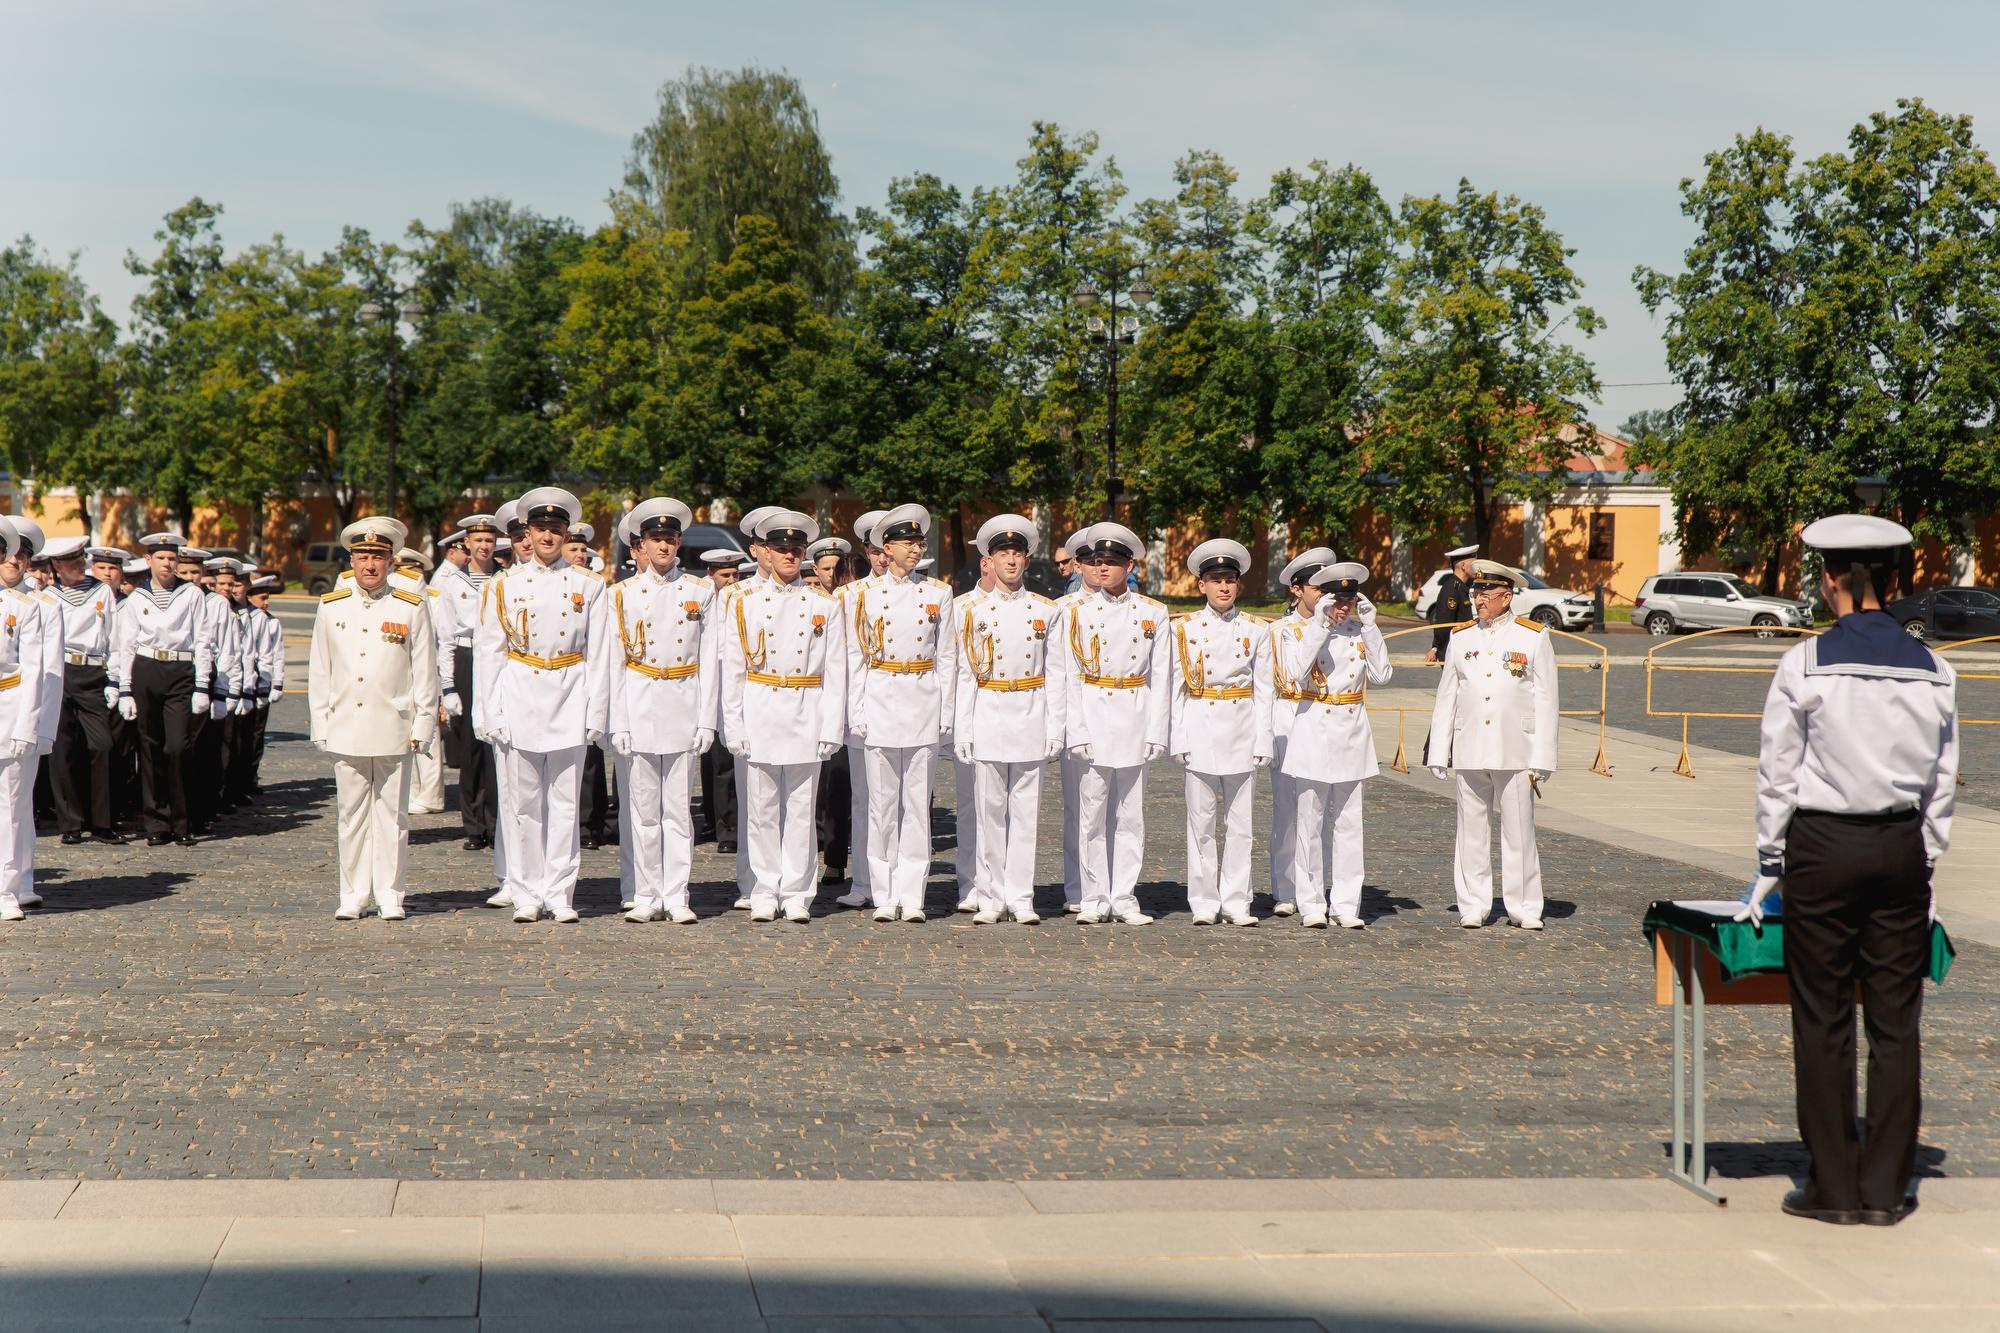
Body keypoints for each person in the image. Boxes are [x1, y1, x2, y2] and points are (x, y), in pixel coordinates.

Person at [1740, 515, 1957, 1228]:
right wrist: (1923, 853)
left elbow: (1779, 769)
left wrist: (1770, 858)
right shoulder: (1936, 668)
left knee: (1824, 1014)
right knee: (1896, 1021)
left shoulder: (1805, 662)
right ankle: (1888, 1186)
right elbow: (1943, 781)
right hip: (1899, 846)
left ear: (1831, 577)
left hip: (1825, 845)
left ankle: (1832, 1182)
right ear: (1889, 582)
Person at [473, 488, 608, 924]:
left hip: (570, 689)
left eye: (556, 530)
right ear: (527, 534)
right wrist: (486, 711)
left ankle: (561, 892)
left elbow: (601, 654)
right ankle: (527, 891)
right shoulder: (504, 584)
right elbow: (489, 651)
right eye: (541, 529)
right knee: (524, 803)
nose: (548, 537)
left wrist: (597, 711)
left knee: (566, 803)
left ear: (566, 534)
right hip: (521, 692)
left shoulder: (589, 584)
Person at [719, 508, 847, 922]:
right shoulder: (743, 602)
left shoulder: (824, 605)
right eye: (781, 548)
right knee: (761, 810)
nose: (789, 555)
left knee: (800, 810)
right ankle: (763, 888)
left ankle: (796, 892)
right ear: (765, 554)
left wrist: (832, 725)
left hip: (805, 709)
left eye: (796, 548)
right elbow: (733, 669)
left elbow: (835, 672)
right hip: (761, 708)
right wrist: (733, 723)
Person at [308, 518, 439, 921]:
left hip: (393, 726)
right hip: (347, 724)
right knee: (350, 816)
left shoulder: (410, 606)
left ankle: (390, 892)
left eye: (378, 558)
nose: (370, 565)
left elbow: (425, 671)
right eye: (363, 557)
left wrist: (423, 725)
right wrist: (321, 725)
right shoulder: (332, 607)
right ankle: (353, 893)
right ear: (351, 559)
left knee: (392, 818)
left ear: (391, 562)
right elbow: (320, 671)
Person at [1425, 559, 1557, 929]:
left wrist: (1543, 755)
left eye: (1485, 594)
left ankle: (1524, 906)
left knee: (1519, 830)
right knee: (1471, 829)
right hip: (1470, 746)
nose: (1478, 600)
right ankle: (1473, 903)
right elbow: (1447, 696)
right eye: (1475, 592)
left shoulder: (1532, 636)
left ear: (1506, 595)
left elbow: (1546, 700)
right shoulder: (1461, 636)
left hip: (1515, 747)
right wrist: (1440, 749)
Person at [1050, 522, 1169, 925]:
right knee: (1091, 813)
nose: (1103, 569)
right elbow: (1067, 676)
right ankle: (1094, 895)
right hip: (1093, 710)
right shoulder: (1074, 612)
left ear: (1129, 566)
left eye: (1112, 563)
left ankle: (1124, 896)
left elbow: (1163, 677)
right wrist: (1074, 729)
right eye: (1098, 562)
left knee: (1130, 815)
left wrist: (1158, 730)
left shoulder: (1153, 612)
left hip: (1135, 710)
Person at [604, 498, 715, 924]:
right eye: (656, 539)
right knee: (644, 812)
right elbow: (613, 664)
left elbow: (711, 662)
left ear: (679, 542)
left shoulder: (699, 592)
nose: (664, 546)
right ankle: (647, 892)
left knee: (678, 811)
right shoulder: (621, 595)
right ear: (641, 546)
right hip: (641, 701)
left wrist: (707, 719)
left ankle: (677, 893)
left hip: (683, 701)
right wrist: (619, 721)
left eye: (670, 539)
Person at [846, 504, 957, 923]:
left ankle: (912, 894)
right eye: (908, 542)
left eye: (919, 542)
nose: (916, 548)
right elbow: (854, 657)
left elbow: (946, 657)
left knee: (916, 806)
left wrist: (946, 711)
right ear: (885, 548)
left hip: (922, 701)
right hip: (880, 699)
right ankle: (883, 891)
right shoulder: (859, 596)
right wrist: (855, 710)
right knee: (881, 806)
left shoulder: (937, 593)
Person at [953, 516, 1061, 925]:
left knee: (1025, 814)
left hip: (1030, 711)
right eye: (1003, 554)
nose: (1011, 561)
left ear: (1027, 560)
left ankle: (1021, 896)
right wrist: (962, 728)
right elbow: (965, 674)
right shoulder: (972, 611)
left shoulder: (1045, 611)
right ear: (989, 560)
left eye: (1017, 554)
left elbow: (1058, 674)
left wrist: (1055, 727)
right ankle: (990, 896)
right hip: (989, 711)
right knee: (988, 811)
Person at [1282, 561, 1393, 929]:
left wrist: (1372, 626)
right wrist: (1321, 624)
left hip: (1351, 728)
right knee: (1309, 822)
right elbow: (1295, 672)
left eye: (1349, 597)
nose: (1343, 606)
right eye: (1337, 598)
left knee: (1349, 823)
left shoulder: (1358, 632)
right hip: (1314, 724)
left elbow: (1382, 674)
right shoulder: (1303, 630)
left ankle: (1346, 903)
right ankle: (1311, 901)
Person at [1169, 539, 1272, 927]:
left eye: (1230, 580)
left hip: (1241, 727)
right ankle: (1203, 901)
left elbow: (1264, 689)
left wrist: (1264, 738)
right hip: (1200, 725)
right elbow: (1176, 689)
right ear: (1201, 586)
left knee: (1241, 824)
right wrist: (1177, 737)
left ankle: (1236, 900)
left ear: (1239, 585)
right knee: (1201, 823)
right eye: (1216, 580)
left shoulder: (1256, 630)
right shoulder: (1184, 630)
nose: (1224, 587)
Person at [113, 533, 216, 847]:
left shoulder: (191, 594)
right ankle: (156, 821)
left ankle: (182, 820)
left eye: (172, 558)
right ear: (148, 560)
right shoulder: (137, 598)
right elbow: (126, 645)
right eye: (161, 558)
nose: (167, 564)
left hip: (180, 671)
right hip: (147, 669)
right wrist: (125, 689)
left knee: (177, 747)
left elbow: (203, 640)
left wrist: (202, 684)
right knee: (150, 748)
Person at [1266, 548, 1334, 916]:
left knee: (1319, 808)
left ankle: (1314, 884)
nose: (1322, 593)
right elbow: (1270, 683)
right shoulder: (1278, 631)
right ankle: (1285, 887)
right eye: (1315, 586)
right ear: (1296, 590)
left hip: (1324, 717)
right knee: (1287, 808)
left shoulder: (1339, 628)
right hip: (1288, 716)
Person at [828, 509, 887, 910]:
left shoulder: (924, 594)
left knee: (899, 802)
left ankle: (893, 880)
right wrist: (846, 712)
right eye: (877, 550)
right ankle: (864, 880)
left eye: (890, 550)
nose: (884, 558)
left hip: (902, 705)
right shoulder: (847, 597)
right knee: (864, 800)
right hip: (859, 707)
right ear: (867, 550)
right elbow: (841, 660)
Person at [45, 537, 121, 845]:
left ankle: (102, 822)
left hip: (91, 671)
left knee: (101, 745)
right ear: (57, 566)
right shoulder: (47, 596)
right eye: (72, 562)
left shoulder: (101, 591)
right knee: (62, 750)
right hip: (59, 672)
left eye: (80, 560)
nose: (80, 567)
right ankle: (70, 823)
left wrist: (115, 680)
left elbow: (114, 636)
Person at [435, 513, 501, 855]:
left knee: (496, 748)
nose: (484, 546)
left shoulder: (506, 579)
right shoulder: (453, 583)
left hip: (497, 661)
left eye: (489, 540)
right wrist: (448, 686)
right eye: (478, 541)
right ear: (467, 545)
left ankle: (496, 822)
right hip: (466, 658)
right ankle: (473, 825)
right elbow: (445, 637)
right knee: (470, 750)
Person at [0, 522, 54, 922]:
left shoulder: (25, 608)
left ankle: (7, 889)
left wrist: (30, 727)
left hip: (9, 707)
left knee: (12, 805)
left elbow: (37, 672)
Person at [1052, 528, 1097, 911]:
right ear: (1079, 566)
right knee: (1077, 808)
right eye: (1093, 562)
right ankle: (1078, 887)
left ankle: (1113, 887)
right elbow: (1060, 672)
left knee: (1118, 811)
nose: (1100, 569)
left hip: (1120, 715)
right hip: (1076, 716)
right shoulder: (1064, 610)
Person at [806, 536, 854, 885]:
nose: (832, 575)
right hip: (826, 700)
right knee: (829, 786)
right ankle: (831, 858)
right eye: (826, 568)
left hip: (864, 699)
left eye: (838, 568)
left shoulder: (856, 598)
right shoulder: (812, 602)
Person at [696, 549, 742, 849]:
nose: (731, 580)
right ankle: (713, 820)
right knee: (707, 759)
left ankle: (729, 829)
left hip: (731, 683)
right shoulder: (699, 597)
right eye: (725, 575)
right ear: (711, 574)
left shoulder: (740, 598)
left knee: (726, 760)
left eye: (735, 575)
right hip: (701, 683)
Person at [1426, 543, 1479, 663]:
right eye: (1474, 564)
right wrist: (1436, 648)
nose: (1477, 568)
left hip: (1461, 649)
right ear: (1464, 566)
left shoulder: (1460, 587)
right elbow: (1444, 623)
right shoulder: (1451, 589)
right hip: (1451, 652)